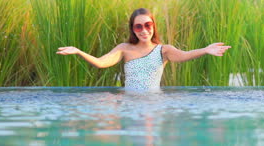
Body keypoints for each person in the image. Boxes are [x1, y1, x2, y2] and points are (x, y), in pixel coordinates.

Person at [57, 8, 231, 90]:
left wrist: (205, 49)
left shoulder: (164, 50)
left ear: (154, 26)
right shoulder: (124, 49)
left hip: (153, 102)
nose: (144, 30)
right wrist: (78, 51)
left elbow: (184, 55)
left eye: (148, 25)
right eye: (138, 27)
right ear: (133, 29)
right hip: (130, 103)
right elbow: (101, 63)